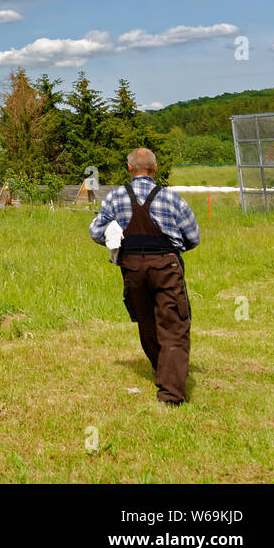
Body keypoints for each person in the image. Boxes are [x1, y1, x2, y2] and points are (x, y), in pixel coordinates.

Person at [89, 148, 200, 406]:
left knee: (147, 322)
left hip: (132, 268)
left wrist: (116, 236)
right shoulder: (171, 198)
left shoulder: (115, 197)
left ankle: (162, 370)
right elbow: (193, 236)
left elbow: (96, 232)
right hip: (166, 266)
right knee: (173, 325)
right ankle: (171, 394)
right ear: (155, 168)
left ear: (129, 168)